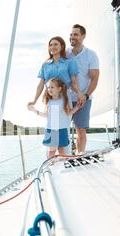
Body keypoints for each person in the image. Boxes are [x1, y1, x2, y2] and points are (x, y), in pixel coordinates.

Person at [27, 36, 84, 122]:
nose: (53, 47)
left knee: (64, 125)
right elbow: (41, 85)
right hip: (50, 98)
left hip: (65, 98)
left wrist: (79, 94)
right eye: (51, 45)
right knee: (53, 125)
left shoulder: (70, 62)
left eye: (55, 44)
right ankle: (53, 135)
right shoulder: (45, 65)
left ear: (62, 46)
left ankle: (64, 135)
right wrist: (34, 100)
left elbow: (74, 82)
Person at [67, 24, 100, 154]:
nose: (72, 37)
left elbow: (95, 79)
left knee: (80, 129)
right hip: (66, 98)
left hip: (83, 99)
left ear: (83, 36)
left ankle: (79, 155)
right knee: (59, 128)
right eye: (71, 34)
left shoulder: (91, 55)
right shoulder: (65, 54)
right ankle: (61, 155)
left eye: (75, 34)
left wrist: (85, 96)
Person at [28, 78, 81, 158]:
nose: (49, 89)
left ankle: (62, 165)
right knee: (51, 152)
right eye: (48, 87)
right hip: (52, 129)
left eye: (52, 87)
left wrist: (77, 107)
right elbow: (46, 115)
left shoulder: (63, 101)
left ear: (59, 89)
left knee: (61, 151)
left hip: (61, 129)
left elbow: (69, 113)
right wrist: (34, 110)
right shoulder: (49, 102)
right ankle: (52, 165)